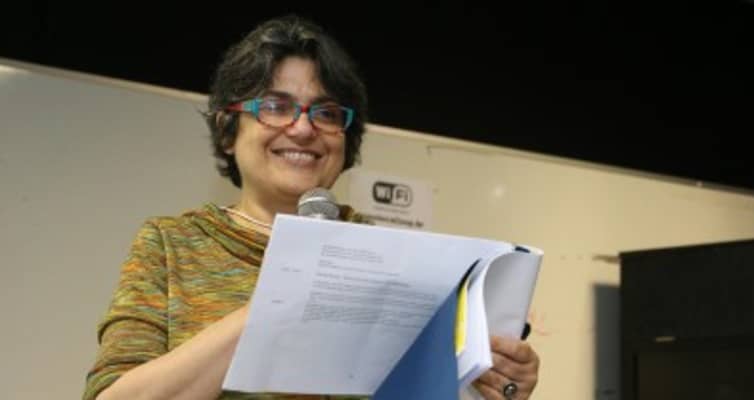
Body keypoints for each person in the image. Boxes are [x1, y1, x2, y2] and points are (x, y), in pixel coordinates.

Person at [82, 14, 540, 400]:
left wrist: (495, 385)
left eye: (325, 113)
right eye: (275, 106)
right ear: (227, 130)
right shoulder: (172, 245)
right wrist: (283, 298)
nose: (303, 129)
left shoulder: (398, 261)